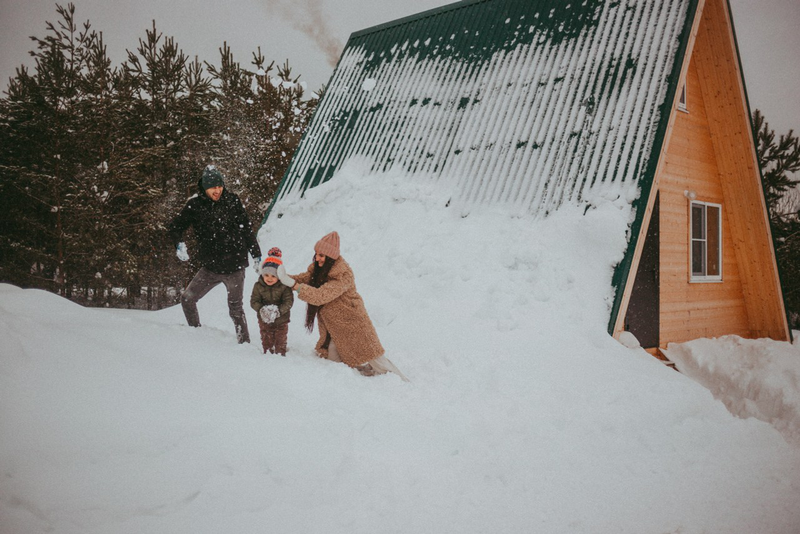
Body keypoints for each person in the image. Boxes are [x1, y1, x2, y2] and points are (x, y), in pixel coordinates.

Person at [277, 231, 408, 381]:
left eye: (321, 255)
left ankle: (399, 381)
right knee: (334, 360)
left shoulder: (343, 275)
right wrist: (282, 277)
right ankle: (357, 376)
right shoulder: (319, 269)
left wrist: (294, 285)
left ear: (330, 257)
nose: (317, 258)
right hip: (335, 325)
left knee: (374, 357)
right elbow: (304, 278)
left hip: (353, 321)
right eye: (316, 254)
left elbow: (320, 296)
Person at [168, 166, 262, 343]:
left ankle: (244, 344)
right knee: (187, 299)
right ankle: (196, 335)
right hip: (210, 267)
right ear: (204, 188)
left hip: (235, 267)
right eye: (213, 187)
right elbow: (175, 227)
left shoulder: (232, 201)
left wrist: (256, 255)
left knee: (235, 310)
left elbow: (247, 230)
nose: (217, 190)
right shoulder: (195, 206)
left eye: (220, 186)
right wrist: (179, 244)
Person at [250, 247, 294, 355]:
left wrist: (278, 311)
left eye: (273, 276)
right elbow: (254, 301)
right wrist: (262, 309)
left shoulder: (284, 286)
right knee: (266, 339)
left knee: (280, 340)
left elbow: (288, 301)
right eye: (266, 275)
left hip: (281, 320)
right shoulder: (258, 286)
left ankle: (281, 353)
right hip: (264, 319)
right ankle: (267, 354)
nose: (269, 278)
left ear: (279, 276)